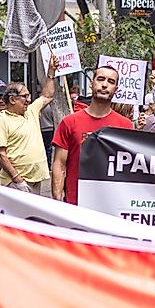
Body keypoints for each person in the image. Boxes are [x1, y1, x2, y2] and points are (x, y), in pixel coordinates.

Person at [52, 65, 132, 205]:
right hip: (75, 203)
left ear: (116, 90)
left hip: (111, 205)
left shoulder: (125, 126)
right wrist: (57, 197)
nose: (105, 85)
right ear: (92, 83)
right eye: (100, 79)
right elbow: (59, 163)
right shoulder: (69, 122)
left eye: (111, 82)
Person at [0, 55, 59, 195]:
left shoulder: (31, 111)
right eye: (25, 96)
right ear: (12, 99)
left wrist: (51, 72)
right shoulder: (2, 120)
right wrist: (16, 178)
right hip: (17, 183)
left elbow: (47, 96)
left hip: (35, 181)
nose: (29, 100)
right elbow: (0, 154)